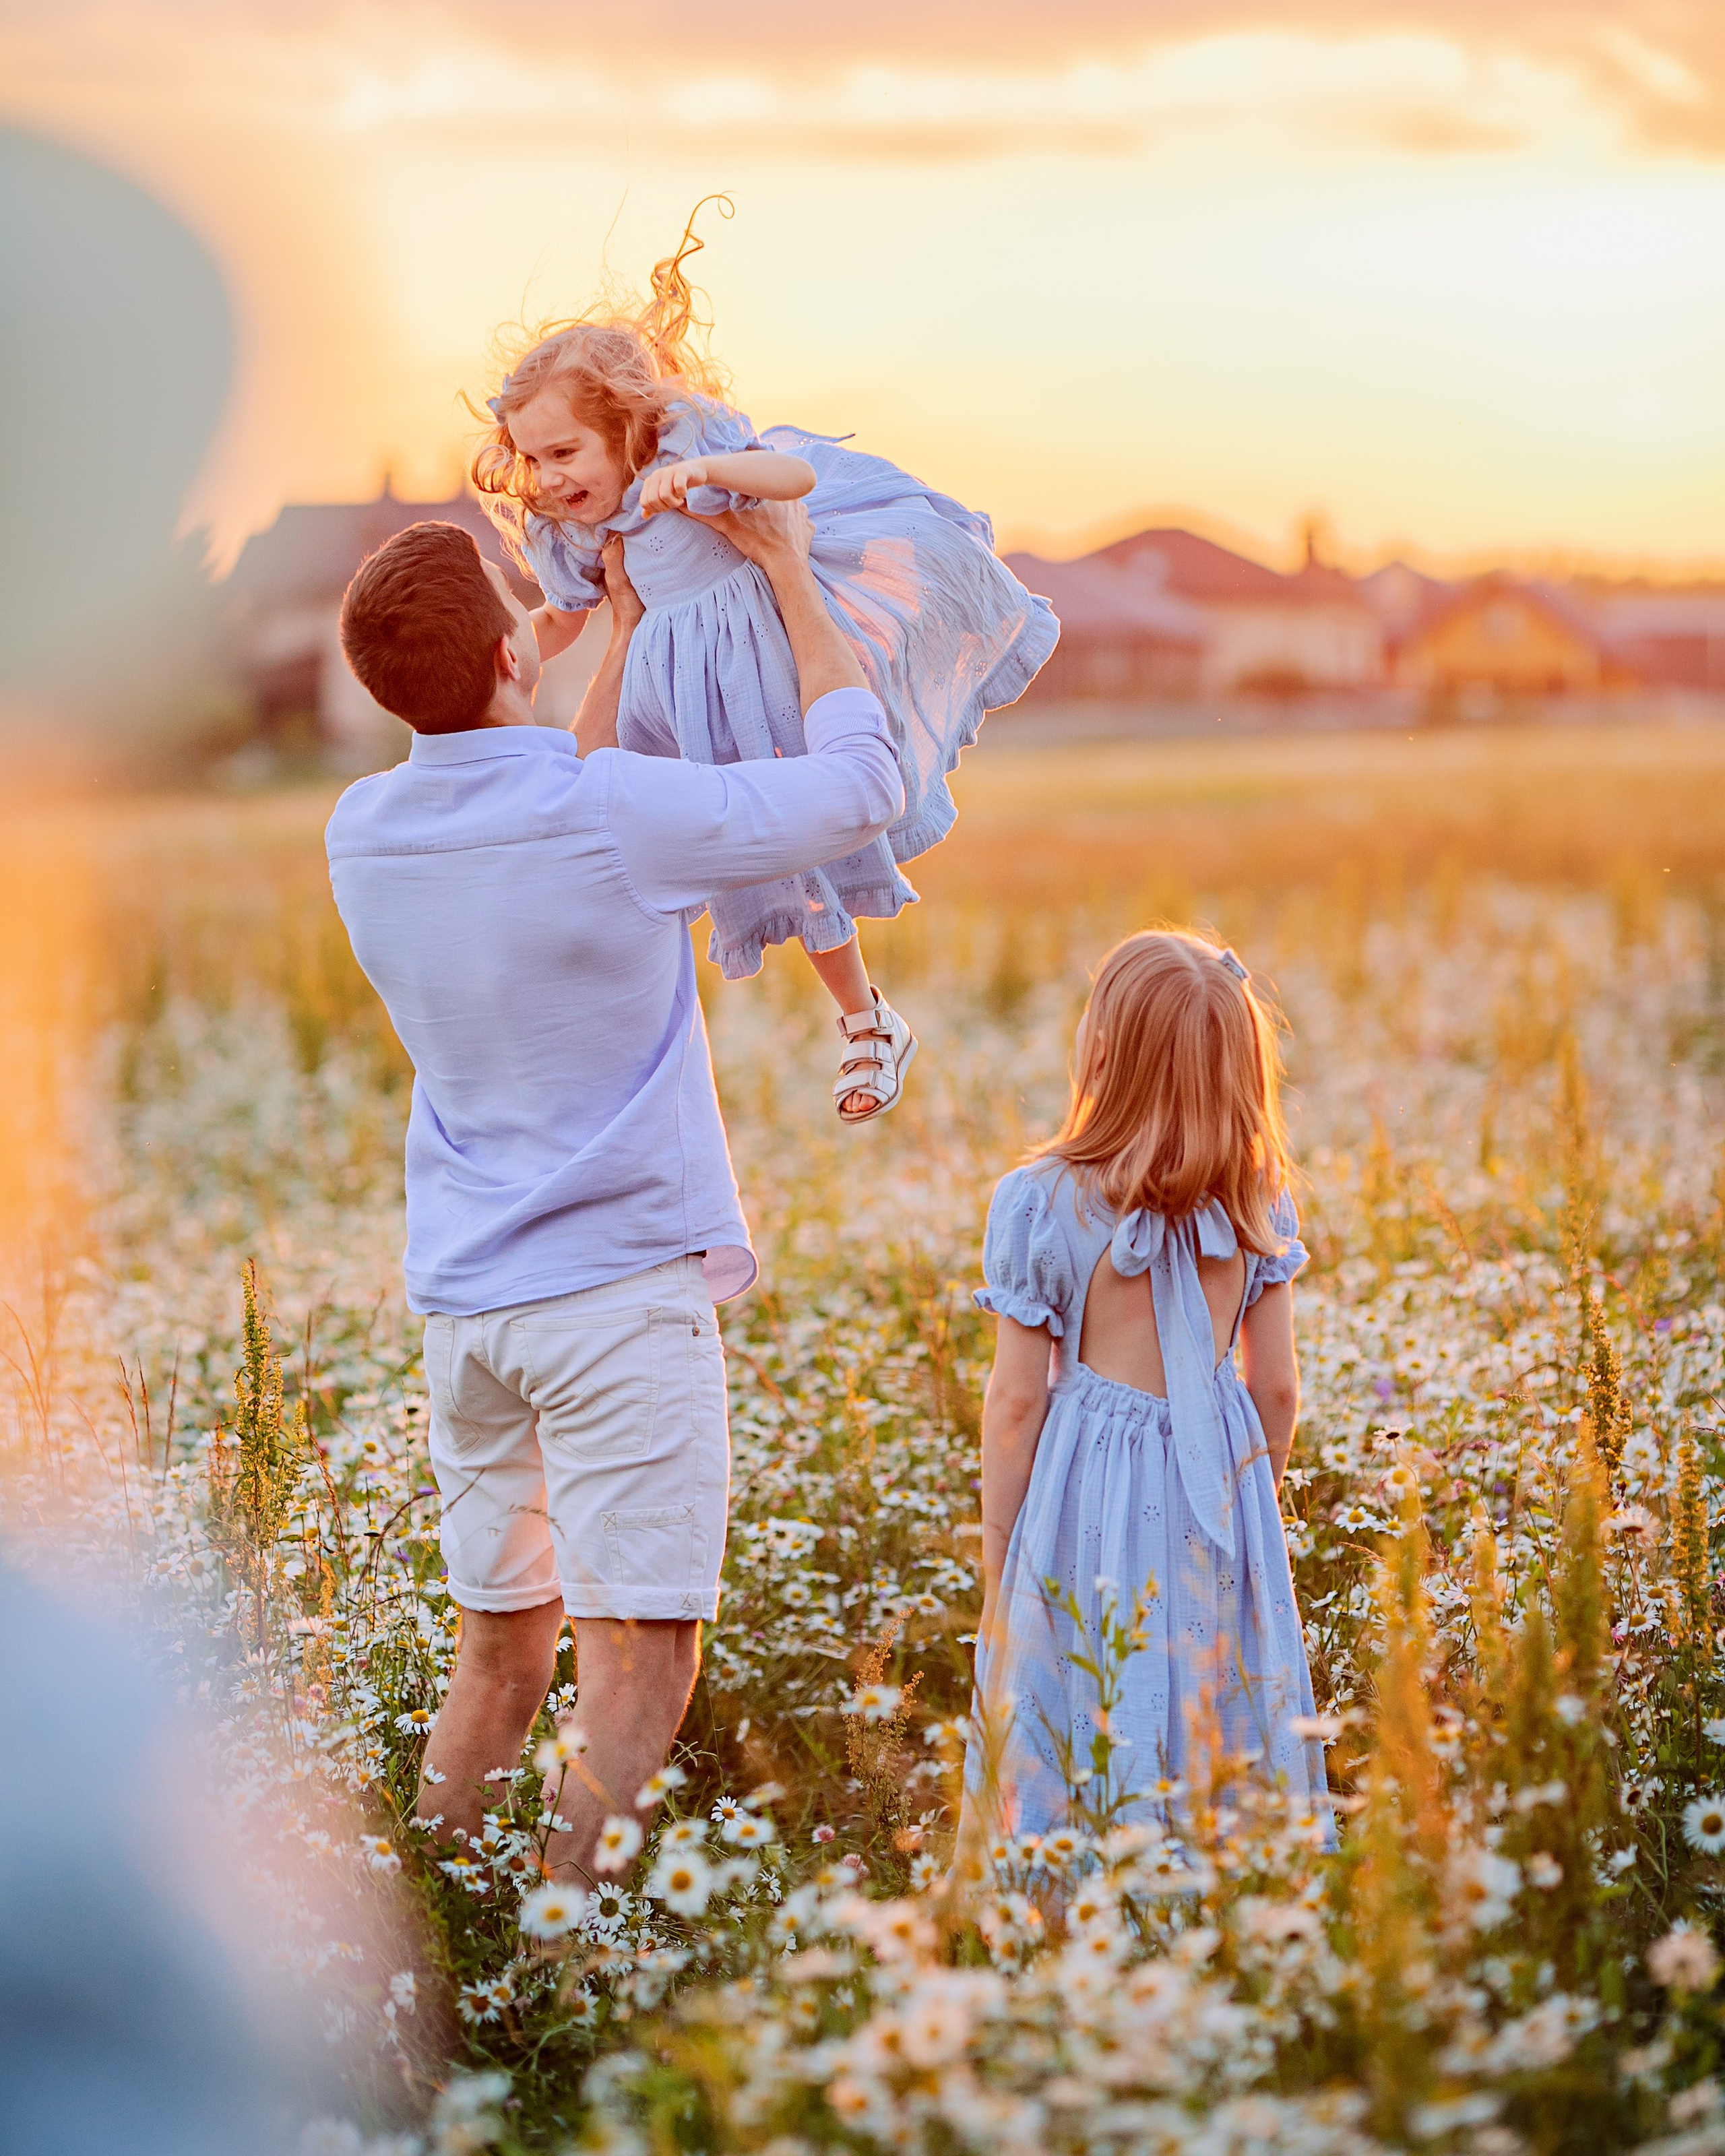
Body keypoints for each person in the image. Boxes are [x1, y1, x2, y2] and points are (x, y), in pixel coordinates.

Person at [325, 496, 902, 1885]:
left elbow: (541, 803)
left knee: (499, 1646)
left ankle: (439, 1955)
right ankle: (563, 1956)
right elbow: (861, 787)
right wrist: (784, 579)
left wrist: (620, 634)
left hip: (469, 1312)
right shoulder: (605, 814)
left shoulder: (364, 828)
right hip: (615, 1303)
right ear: (517, 648)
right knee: (638, 1658)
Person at [469, 199, 1059, 1123]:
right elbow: (568, 616)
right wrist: (522, 643)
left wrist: (705, 477)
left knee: (805, 850)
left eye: (564, 451)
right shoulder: (581, 531)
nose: (547, 479)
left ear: (624, 424)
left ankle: (865, 1020)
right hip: (675, 702)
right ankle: (591, 1038)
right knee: (601, 839)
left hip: (763, 676)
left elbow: (796, 478)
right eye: (533, 459)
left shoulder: (693, 451)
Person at [964, 929, 1328, 1841]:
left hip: (1086, 1488)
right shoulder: (1259, 1196)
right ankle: (1224, 1878)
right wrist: (1249, 1492)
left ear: (1103, 1052)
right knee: (1217, 1677)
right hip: (1218, 1487)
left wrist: (1001, 1553)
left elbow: (1015, 1403)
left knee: (1086, 1676)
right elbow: (1275, 1388)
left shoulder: (1043, 1201)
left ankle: (1077, 1884)